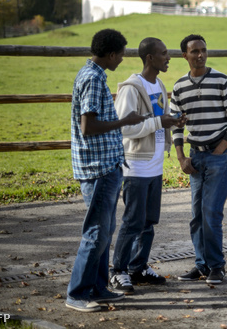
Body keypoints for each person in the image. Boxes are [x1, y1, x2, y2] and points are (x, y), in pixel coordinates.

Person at [66, 29, 145, 312]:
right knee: (97, 232)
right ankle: (77, 293)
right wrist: (124, 120)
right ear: (111, 54)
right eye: (121, 54)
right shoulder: (93, 79)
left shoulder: (94, 75)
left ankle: (98, 288)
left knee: (105, 229)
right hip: (97, 168)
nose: (123, 58)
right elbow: (88, 127)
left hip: (106, 165)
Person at [110, 38, 186, 294]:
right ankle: (117, 271)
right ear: (149, 58)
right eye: (163, 54)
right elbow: (125, 128)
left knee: (148, 223)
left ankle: (138, 268)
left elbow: (158, 120)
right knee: (133, 221)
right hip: (135, 168)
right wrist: (159, 122)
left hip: (155, 167)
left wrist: (174, 122)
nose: (168, 57)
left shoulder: (160, 84)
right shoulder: (132, 88)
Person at [170, 34, 227, 285]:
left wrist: (220, 149)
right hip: (194, 156)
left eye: (203, 50)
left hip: (218, 153)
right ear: (185, 55)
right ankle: (201, 265)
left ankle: (217, 266)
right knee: (196, 215)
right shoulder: (179, 87)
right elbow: (176, 125)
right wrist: (181, 157)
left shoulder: (222, 80)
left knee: (211, 213)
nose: (200, 55)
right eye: (194, 51)